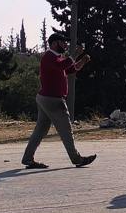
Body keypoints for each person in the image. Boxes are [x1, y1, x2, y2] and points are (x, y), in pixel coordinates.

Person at [22, 32, 97, 170]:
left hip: (45, 98)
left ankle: (27, 159)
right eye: (63, 42)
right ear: (55, 43)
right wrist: (75, 54)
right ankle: (77, 159)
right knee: (66, 130)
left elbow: (70, 69)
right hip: (53, 100)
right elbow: (63, 66)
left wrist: (82, 61)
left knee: (40, 131)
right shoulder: (49, 57)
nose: (65, 44)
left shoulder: (56, 58)